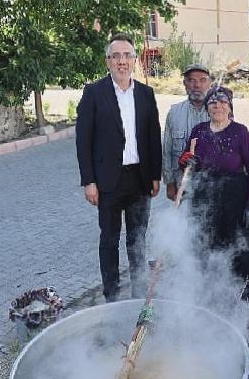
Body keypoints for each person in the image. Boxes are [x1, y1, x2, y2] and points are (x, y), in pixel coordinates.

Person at [76, 33, 162, 302]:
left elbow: (152, 137)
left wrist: (155, 175)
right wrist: (88, 181)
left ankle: (138, 296)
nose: (122, 61)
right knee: (109, 241)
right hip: (107, 182)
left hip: (139, 179)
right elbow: (83, 140)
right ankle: (111, 297)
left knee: (137, 242)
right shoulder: (93, 93)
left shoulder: (146, 94)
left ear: (134, 60)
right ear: (108, 61)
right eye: (116, 56)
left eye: (127, 55)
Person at [178, 85, 249, 303]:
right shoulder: (198, 131)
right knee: (206, 245)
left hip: (235, 197)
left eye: (222, 102)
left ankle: (244, 296)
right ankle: (211, 293)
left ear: (230, 107)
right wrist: (185, 161)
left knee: (239, 247)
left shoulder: (240, 132)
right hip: (204, 196)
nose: (217, 105)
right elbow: (188, 163)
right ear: (207, 108)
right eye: (212, 102)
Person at [162, 63, 211, 201]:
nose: (197, 85)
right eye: (191, 80)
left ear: (209, 83)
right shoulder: (174, 112)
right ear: (184, 84)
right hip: (182, 186)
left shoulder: (219, 111)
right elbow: (167, 151)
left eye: (202, 80)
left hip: (212, 187)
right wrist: (169, 183)